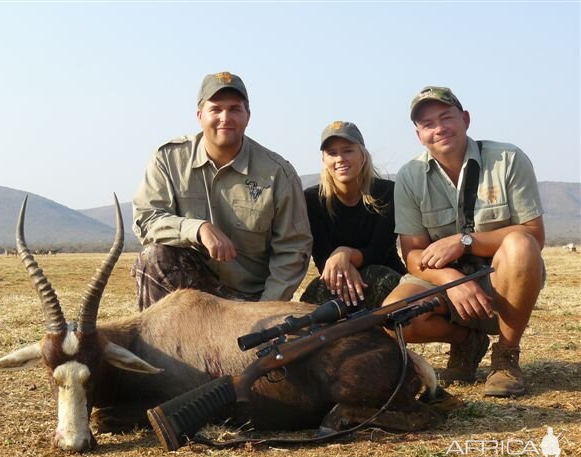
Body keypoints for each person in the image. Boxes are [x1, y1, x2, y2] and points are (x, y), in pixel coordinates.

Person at [383, 86, 545, 397]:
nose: (439, 128)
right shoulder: (409, 176)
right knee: (395, 317)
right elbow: (413, 254)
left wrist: (465, 242)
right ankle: (465, 342)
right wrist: (451, 279)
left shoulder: (507, 158)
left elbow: (534, 234)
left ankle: (506, 355)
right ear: (418, 135)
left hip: (502, 275)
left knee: (520, 244)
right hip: (444, 281)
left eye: (446, 117)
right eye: (428, 124)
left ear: (465, 119)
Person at [131, 71, 312, 310]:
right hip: (190, 289)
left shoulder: (279, 173)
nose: (225, 118)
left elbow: (293, 248)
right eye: (215, 109)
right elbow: (146, 219)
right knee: (153, 258)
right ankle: (156, 345)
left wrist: (266, 310)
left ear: (248, 116)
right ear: (199, 115)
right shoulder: (168, 159)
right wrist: (197, 228)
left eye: (235, 109)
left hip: (249, 300)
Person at [300, 121, 406, 309]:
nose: (340, 159)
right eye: (332, 153)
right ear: (324, 160)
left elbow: (379, 251)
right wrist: (343, 263)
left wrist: (345, 253)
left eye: (348, 150)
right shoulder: (311, 199)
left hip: (386, 276)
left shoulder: (388, 192)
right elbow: (324, 260)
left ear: (363, 156)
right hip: (339, 280)